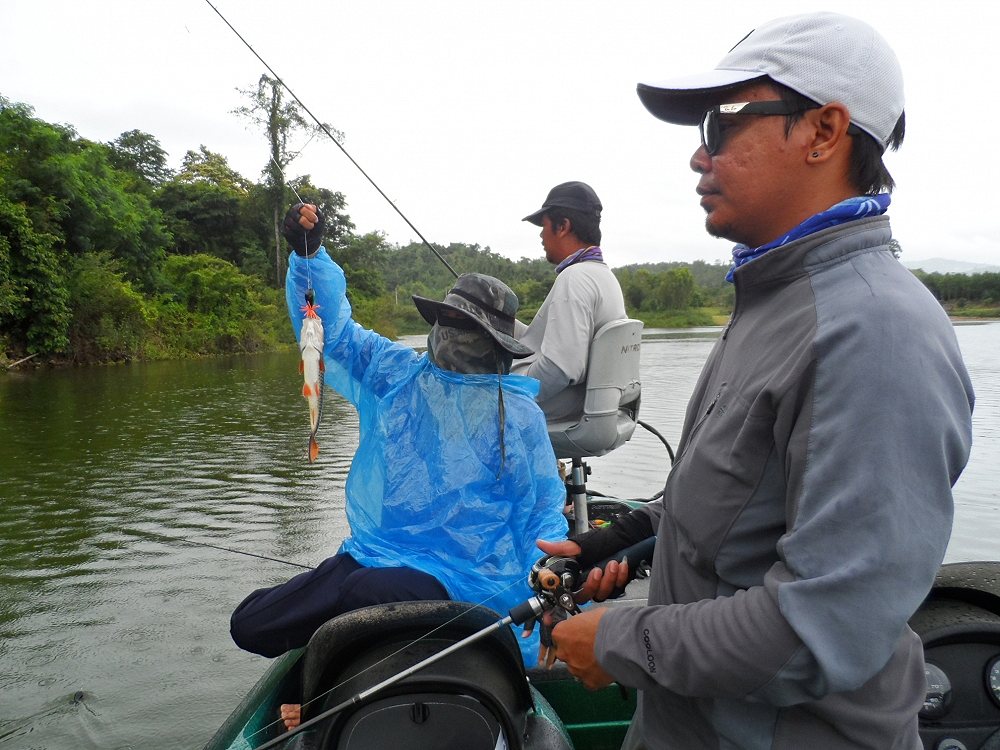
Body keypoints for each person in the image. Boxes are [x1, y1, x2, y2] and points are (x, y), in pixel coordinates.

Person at [536, 12, 975, 749]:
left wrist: (619, 640)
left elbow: (820, 628)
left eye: (722, 121)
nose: (699, 157)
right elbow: (744, 496)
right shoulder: (774, 299)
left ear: (825, 132)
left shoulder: (873, 332)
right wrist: (633, 534)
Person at [230, 203, 569, 726]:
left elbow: (542, 514)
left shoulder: (518, 415)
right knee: (249, 623)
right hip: (375, 555)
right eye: (446, 321)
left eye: (467, 328)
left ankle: (313, 697)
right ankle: (315, 682)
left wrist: (552, 587)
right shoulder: (398, 374)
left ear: (497, 346)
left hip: (465, 581)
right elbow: (330, 332)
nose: (451, 335)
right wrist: (309, 255)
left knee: (365, 592)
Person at [512, 181, 627, 422]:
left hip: (561, 410)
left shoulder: (574, 278)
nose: (541, 235)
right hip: (583, 405)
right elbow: (558, 346)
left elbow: (559, 368)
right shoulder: (602, 276)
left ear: (563, 226)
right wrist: (499, 324)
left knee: (472, 402)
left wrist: (511, 392)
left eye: (543, 226)